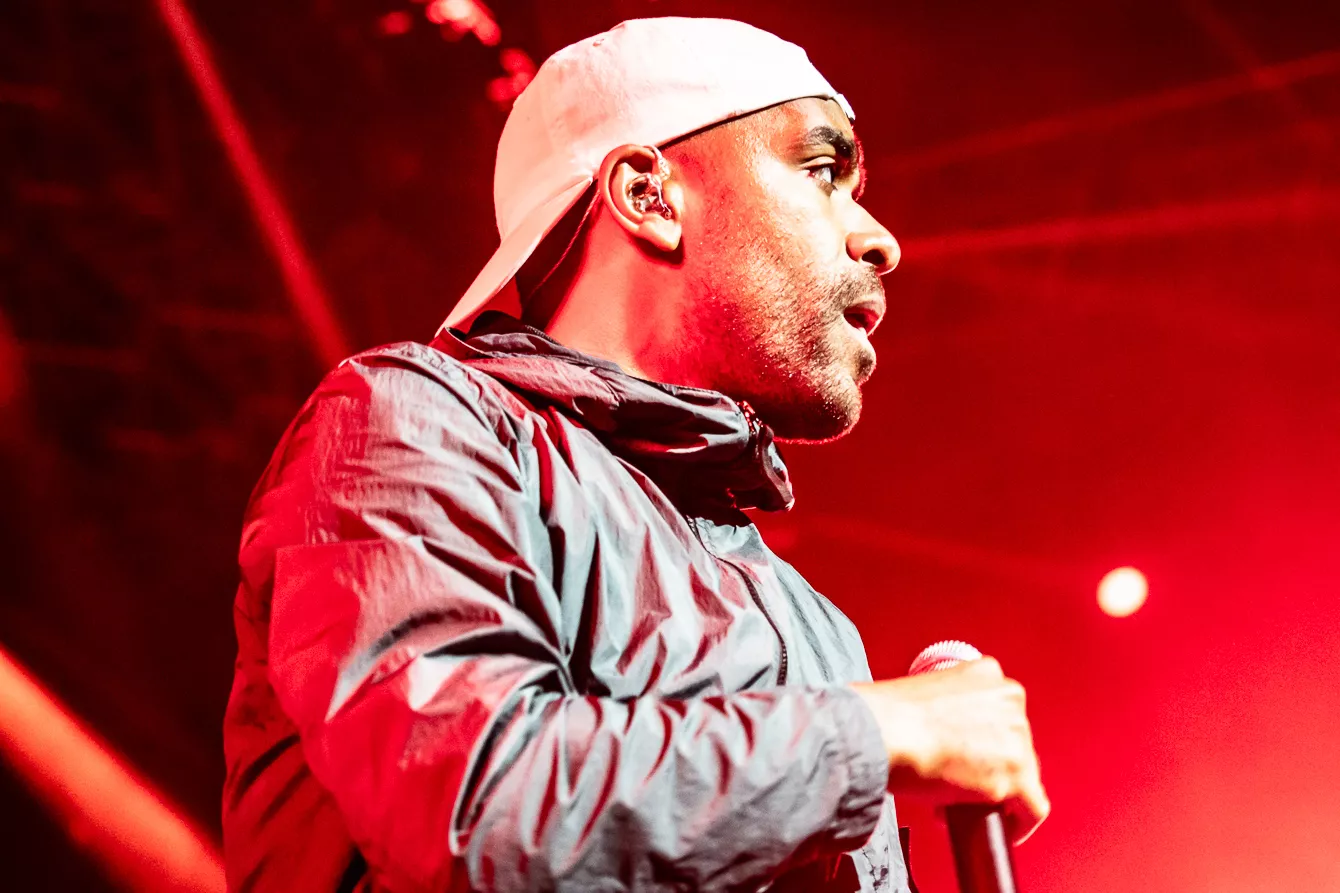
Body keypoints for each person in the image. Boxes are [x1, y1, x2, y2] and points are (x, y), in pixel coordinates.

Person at [222, 16, 1048, 893]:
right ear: (649, 195)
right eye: (822, 172)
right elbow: (474, 810)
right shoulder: (415, 420)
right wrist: (875, 737)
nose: (881, 238)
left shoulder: (817, 627)